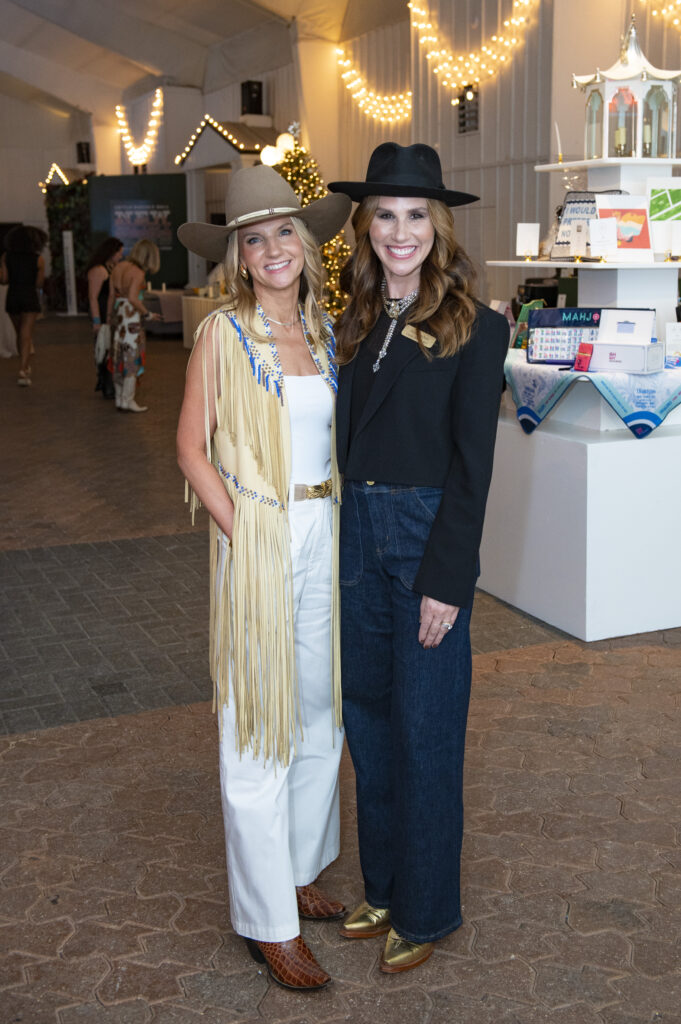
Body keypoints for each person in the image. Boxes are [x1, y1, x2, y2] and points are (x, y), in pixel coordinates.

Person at [328, 143, 508, 973]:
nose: (398, 232)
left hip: (424, 539)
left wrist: (447, 581)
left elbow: (474, 466)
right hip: (356, 539)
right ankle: (384, 885)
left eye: (414, 217)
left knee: (425, 732)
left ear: (436, 227)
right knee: (368, 723)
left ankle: (428, 909)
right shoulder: (354, 318)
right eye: (383, 216)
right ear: (364, 228)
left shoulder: (478, 325)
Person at [176, 165, 351, 991]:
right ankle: (266, 922)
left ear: (306, 243)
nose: (274, 247)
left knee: (319, 709)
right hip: (260, 532)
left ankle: (299, 867)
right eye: (256, 238)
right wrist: (245, 534)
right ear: (239, 258)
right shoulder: (223, 334)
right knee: (257, 724)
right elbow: (190, 448)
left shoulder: (323, 332)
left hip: (328, 528)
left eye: (285, 231)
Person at [108, 238, 161, 412]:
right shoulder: (137, 272)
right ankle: (128, 399)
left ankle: (119, 398)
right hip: (131, 319)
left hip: (117, 316)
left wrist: (109, 318)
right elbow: (132, 298)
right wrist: (148, 313)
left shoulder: (118, 267)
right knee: (131, 359)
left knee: (118, 357)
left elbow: (111, 297)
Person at [0, 225, 48, 386]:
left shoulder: (6, 257)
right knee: (26, 334)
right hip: (29, 297)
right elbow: (39, 284)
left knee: (18, 333)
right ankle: (23, 368)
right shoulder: (38, 259)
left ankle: (24, 366)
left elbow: (4, 280)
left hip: (12, 296)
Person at [86, 236, 124, 398]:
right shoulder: (99, 270)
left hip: (109, 314)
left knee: (110, 348)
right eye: (119, 252)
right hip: (101, 314)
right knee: (103, 348)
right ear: (112, 252)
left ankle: (108, 383)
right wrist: (97, 321)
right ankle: (107, 385)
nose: (121, 255)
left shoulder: (110, 268)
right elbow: (93, 297)